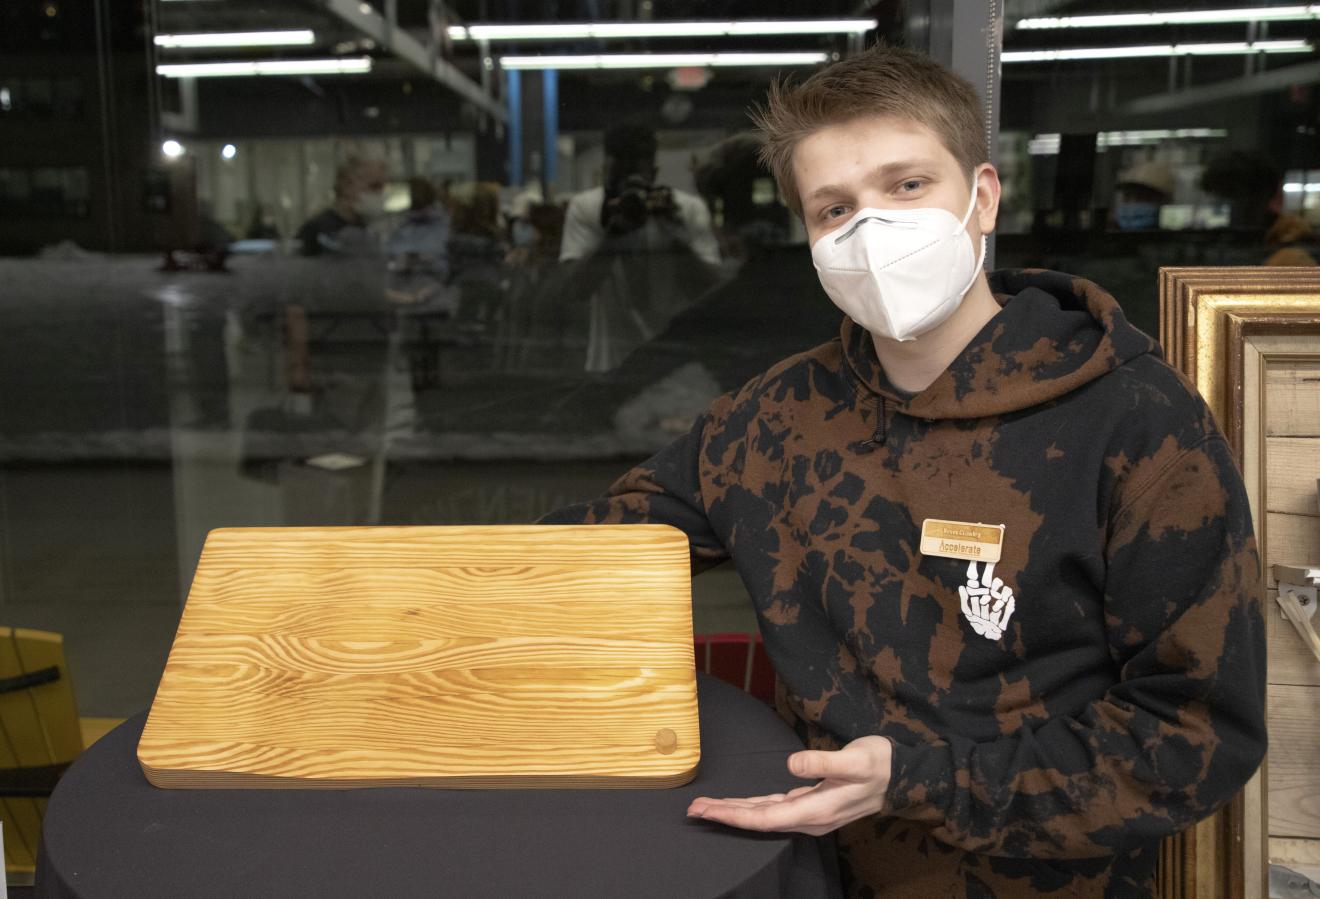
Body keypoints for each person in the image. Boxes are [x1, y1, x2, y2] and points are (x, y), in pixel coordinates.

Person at [541, 44, 1266, 897]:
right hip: (814, 868)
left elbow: (1194, 732)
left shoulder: (1136, 420)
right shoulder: (770, 419)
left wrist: (919, 779)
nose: (871, 229)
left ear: (983, 198)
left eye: (907, 185)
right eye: (834, 207)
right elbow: (591, 552)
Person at [559, 122, 723, 371]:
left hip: (673, 366)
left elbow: (712, 290)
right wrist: (614, 233)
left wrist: (675, 236)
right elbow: (574, 289)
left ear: (655, 174)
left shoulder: (683, 210)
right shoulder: (589, 209)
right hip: (616, 363)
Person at [295, 157, 388, 257]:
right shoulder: (316, 230)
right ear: (347, 185)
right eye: (374, 186)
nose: (381, 194)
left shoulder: (364, 227)